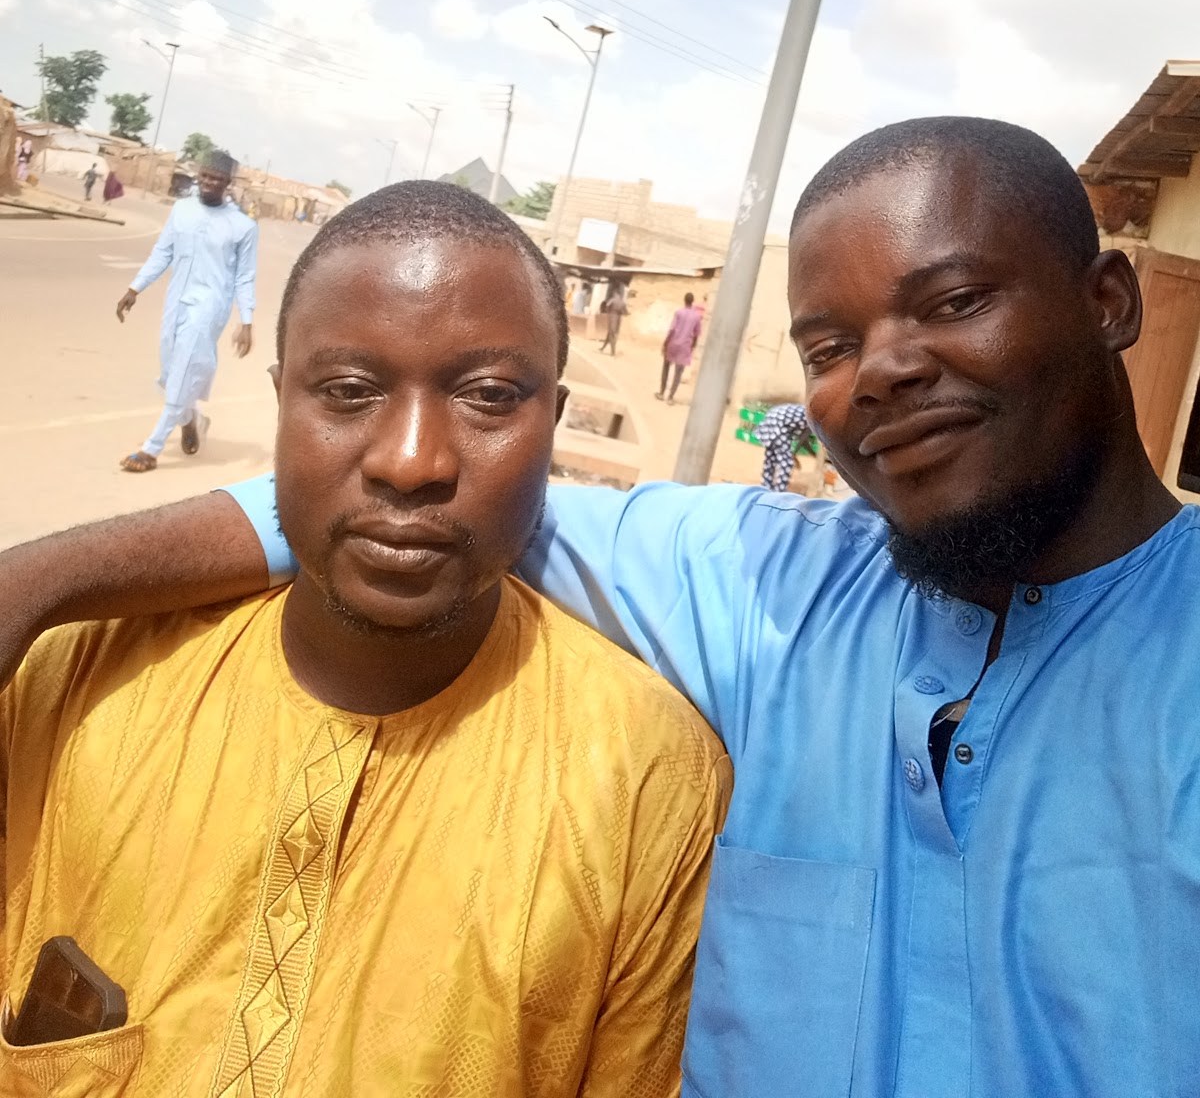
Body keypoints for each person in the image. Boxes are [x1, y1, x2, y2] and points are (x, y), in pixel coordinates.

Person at [8, 115, 1197, 1097]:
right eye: (830, 345)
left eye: (955, 300)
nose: (883, 368)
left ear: (1108, 300)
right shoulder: (774, 587)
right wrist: (35, 584)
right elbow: (403, 500)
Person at [0, 183, 728, 1094]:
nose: (411, 461)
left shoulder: (648, 779)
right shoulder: (65, 681)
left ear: (552, 420)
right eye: (348, 392)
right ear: (281, 401)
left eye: (489, 397)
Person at [115, 151, 257, 473]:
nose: (209, 183)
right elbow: (162, 252)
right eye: (206, 176)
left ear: (227, 182)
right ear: (199, 175)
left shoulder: (242, 226)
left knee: (184, 371)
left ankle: (151, 449)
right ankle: (192, 418)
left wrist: (246, 320)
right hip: (176, 299)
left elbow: (245, 277)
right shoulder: (182, 210)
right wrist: (135, 288)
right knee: (170, 374)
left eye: (217, 179)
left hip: (210, 304)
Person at [655, 292, 703, 403]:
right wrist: (692, 346)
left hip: (673, 343)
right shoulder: (697, 316)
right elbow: (696, 334)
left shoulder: (679, 313)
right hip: (685, 346)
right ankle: (670, 397)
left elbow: (672, 329)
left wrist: (665, 343)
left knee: (666, 366)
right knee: (678, 372)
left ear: (684, 300)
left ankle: (662, 392)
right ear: (692, 301)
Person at [755, 400, 812, 491]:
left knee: (771, 458)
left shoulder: (805, 411)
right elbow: (803, 441)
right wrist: (812, 454)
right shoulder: (811, 420)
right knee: (787, 462)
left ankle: (766, 486)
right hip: (778, 423)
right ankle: (780, 490)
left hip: (772, 416)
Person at [598, 282, 628, 355]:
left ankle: (613, 352)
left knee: (611, 334)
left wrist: (608, 311)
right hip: (618, 319)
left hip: (612, 318)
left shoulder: (612, 300)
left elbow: (606, 307)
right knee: (611, 333)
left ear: (615, 293)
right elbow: (625, 313)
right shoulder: (622, 302)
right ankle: (603, 348)